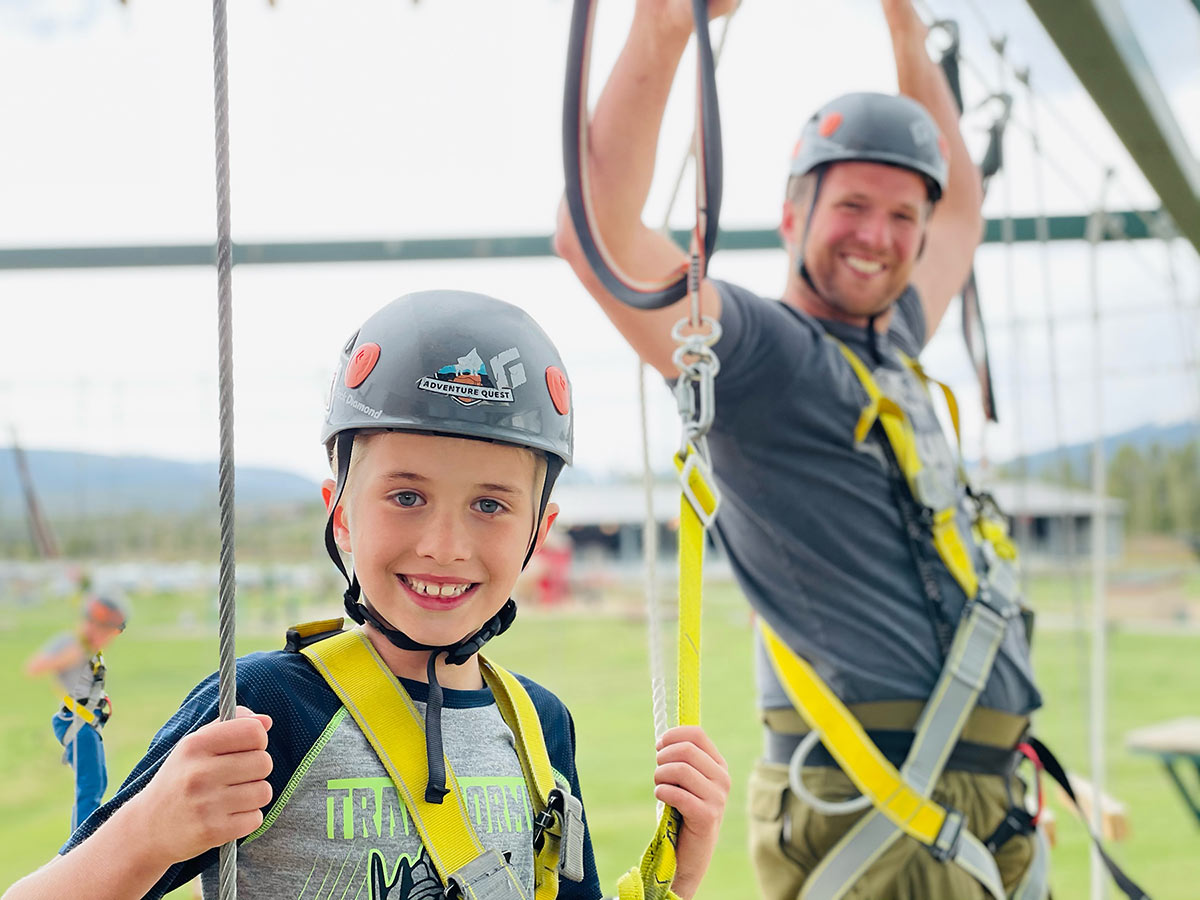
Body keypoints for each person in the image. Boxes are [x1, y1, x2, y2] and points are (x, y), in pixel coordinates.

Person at [3, 290, 729, 900]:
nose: (444, 545)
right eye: (407, 496)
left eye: (490, 505)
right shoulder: (267, 706)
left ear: (541, 530)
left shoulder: (541, 726)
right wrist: (147, 832)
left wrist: (679, 873)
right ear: (340, 511)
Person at [554, 1, 1045, 897]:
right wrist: (665, 28)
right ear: (790, 214)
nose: (880, 236)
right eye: (853, 204)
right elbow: (599, 239)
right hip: (882, 805)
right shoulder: (762, 356)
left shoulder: (889, 343)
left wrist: (903, 27)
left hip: (969, 802)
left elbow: (961, 210)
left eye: (904, 215)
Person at [24, 591, 129, 833]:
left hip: (88, 722)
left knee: (98, 781)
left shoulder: (92, 648)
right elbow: (34, 666)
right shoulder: (71, 643)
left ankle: (87, 836)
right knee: (89, 786)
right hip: (74, 720)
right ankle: (80, 844)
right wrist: (68, 656)